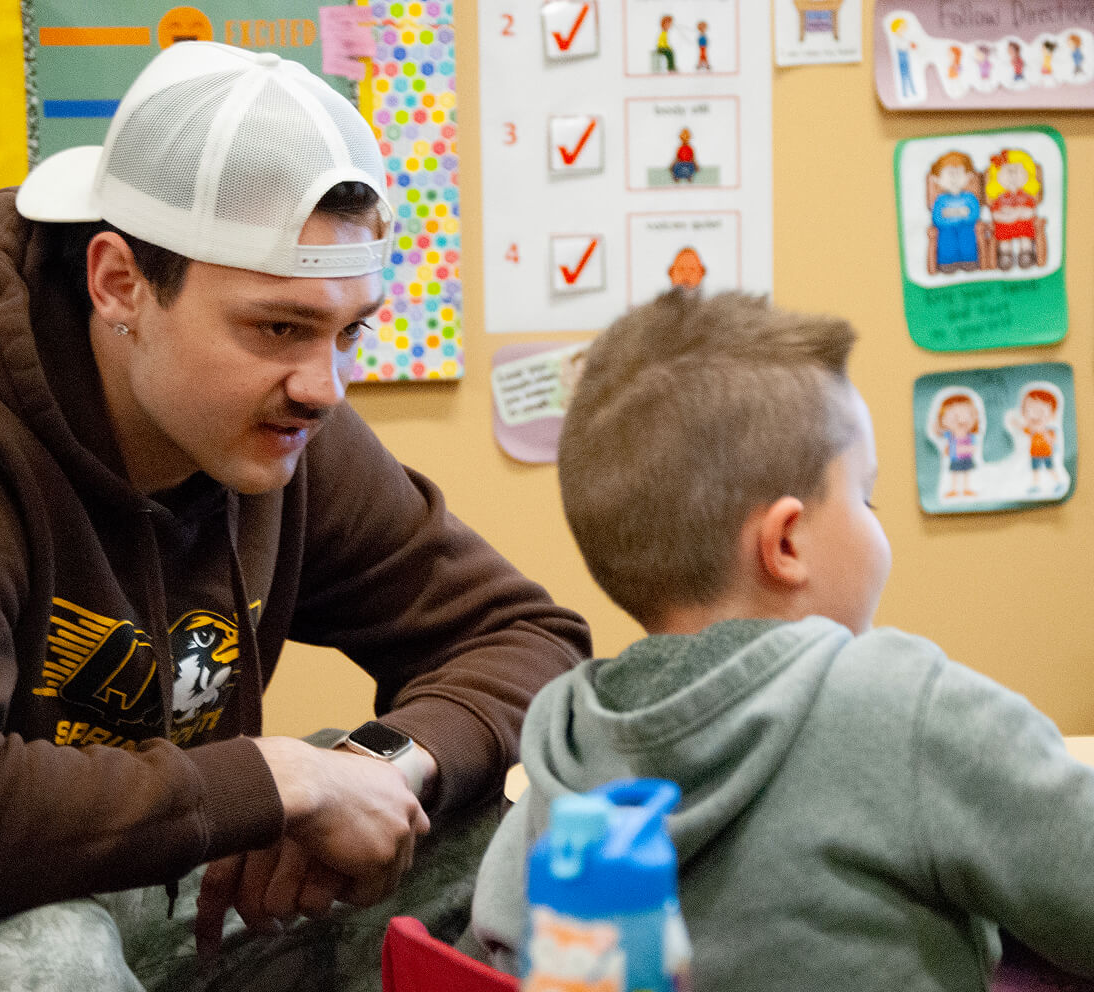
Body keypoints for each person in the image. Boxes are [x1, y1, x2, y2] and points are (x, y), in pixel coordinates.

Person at [0, 41, 590, 991]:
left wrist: (383, 764)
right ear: (119, 282)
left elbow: (527, 635)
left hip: (162, 876)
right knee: (41, 957)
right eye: (278, 327)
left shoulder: (279, 419)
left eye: (351, 330)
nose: (325, 387)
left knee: (498, 834)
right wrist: (277, 782)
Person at [468, 290, 1094, 988]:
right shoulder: (906, 708)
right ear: (787, 543)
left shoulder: (561, 755)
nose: (877, 525)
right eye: (866, 497)